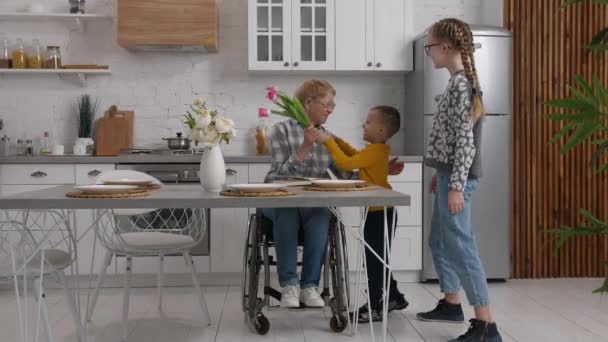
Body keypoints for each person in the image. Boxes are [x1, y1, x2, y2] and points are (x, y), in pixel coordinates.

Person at [263, 80, 404, 309]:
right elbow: (275, 178)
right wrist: (304, 148)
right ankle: (289, 284)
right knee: (286, 210)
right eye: (327, 104)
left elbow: (347, 174)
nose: (331, 109)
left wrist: (381, 169)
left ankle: (309, 286)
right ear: (308, 102)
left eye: (333, 105)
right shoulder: (282, 131)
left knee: (322, 212)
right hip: (279, 202)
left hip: (312, 205)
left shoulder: (326, 137)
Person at [415, 18, 503, 342]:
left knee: (462, 246)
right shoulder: (456, 82)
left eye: (430, 47)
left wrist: (455, 184)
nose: (428, 53)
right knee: (439, 240)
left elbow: (466, 140)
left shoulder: (462, 85)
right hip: (449, 173)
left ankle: (486, 326)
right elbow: (452, 138)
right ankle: (452, 303)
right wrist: (443, 174)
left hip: (457, 177)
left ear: (446, 47)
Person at [317, 105, 408, 323]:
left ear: (381, 131)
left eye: (368, 122)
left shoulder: (376, 152)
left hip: (379, 213)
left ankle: (375, 307)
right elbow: (355, 154)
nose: (363, 125)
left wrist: (328, 142)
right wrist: (335, 139)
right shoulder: (376, 150)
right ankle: (394, 297)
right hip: (380, 211)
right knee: (379, 258)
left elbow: (346, 162)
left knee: (374, 260)